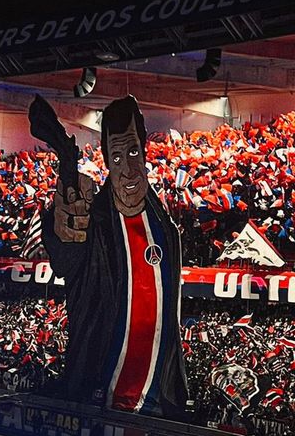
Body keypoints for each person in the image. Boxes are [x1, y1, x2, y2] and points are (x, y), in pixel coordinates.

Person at [35, 94, 188, 416]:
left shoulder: (165, 224)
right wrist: (61, 214)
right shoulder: (93, 222)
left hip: (159, 396)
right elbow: (67, 259)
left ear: (145, 151)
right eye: (117, 158)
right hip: (100, 392)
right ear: (106, 160)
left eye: (133, 152)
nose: (129, 169)